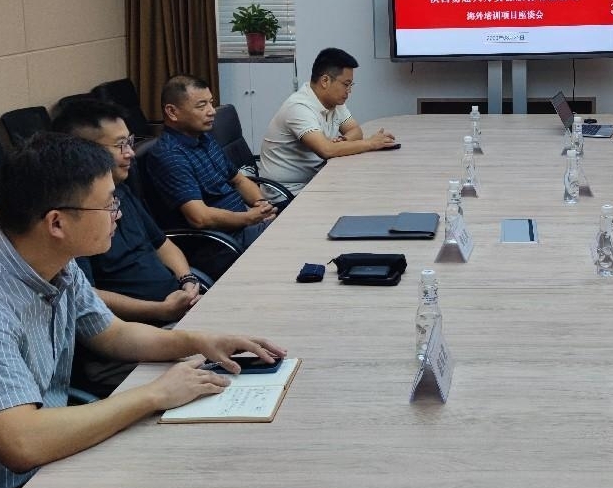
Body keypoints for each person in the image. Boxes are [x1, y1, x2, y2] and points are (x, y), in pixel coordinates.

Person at [0, 133, 287, 488]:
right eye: (107, 205)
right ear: (56, 223)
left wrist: (199, 340)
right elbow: (23, 443)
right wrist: (156, 394)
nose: (117, 214)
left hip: (36, 466)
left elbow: (113, 334)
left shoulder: (53, 261)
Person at [52, 98, 203, 325]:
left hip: (177, 306)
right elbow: (86, 295)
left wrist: (187, 281)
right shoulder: (73, 214)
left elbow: (161, 243)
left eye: (130, 142)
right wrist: (160, 311)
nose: (131, 152)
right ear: (85, 151)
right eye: (120, 145)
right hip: (142, 325)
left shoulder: (121, 189)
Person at [142, 75, 275, 254]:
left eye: (211, 103)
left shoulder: (204, 138)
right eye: (201, 106)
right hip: (221, 244)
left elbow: (239, 180)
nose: (212, 111)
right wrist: (249, 218)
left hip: (243, 227)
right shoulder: (169, 155)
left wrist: (262, 205)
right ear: (172, 112)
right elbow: (199, 218)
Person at [259, 47, 397, 194]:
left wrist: (343, 141)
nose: (349, 91)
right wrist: (371, 143)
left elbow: (355, 130)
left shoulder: (334, 102)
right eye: (346, 84)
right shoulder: (299, 107)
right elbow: (326, 150)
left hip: (316, 180)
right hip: (288, 193)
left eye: (351, 85)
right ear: (325, 81)